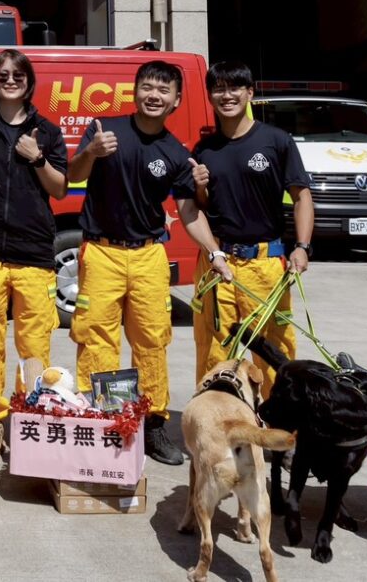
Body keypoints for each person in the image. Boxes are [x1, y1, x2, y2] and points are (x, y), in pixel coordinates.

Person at [67, 60, 227, 466]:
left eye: (163, 90)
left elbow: (189, 211)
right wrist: (90, 151)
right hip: (101, 251)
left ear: (176, 100)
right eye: (147, 87)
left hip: (149, 255)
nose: (154, 95)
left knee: (153, 340)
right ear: (134, 91)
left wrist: (213, 251)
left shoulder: (175, 152)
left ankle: (152, 424)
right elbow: (71, 176)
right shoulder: (104, 129)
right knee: (96, 339)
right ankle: (104, 420)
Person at [0, 48, 69, 465]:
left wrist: (36, 156)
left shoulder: (47, 131)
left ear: (29, 80)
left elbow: (59, 188)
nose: (10, 80)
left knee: (34, 345)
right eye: (2, 74)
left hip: (34, 253)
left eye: (18, 74)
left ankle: (27, 419)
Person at [190, 59, 314, 395]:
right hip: (218, 265)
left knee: (273, 350)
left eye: (235, 87)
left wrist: (302, 247)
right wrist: (199, 187)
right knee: (215, 351)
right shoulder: (205, 149)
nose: (226, 95)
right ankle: (219, 416)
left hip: (265, 264)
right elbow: (201, 208)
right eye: (218, 88)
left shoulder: (276, 141)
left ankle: (278, 418)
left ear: (250, 93)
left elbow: (301, 197)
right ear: (210, 95)